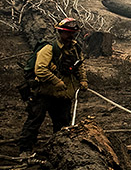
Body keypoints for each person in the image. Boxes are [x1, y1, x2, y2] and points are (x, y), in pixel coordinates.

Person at [17, 17, 86, 157]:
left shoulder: (76, 49)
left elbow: (80, 66)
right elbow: (40, 69)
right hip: (44, 93)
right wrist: (56, 81)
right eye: (67, 33)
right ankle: (25, 150)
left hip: (63, 95)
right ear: (60, 32)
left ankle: (60, 150)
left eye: (73, 33)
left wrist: (83, 80)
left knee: (63, 125)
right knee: (35, 120)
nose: (71, 36)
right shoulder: (49, 48)